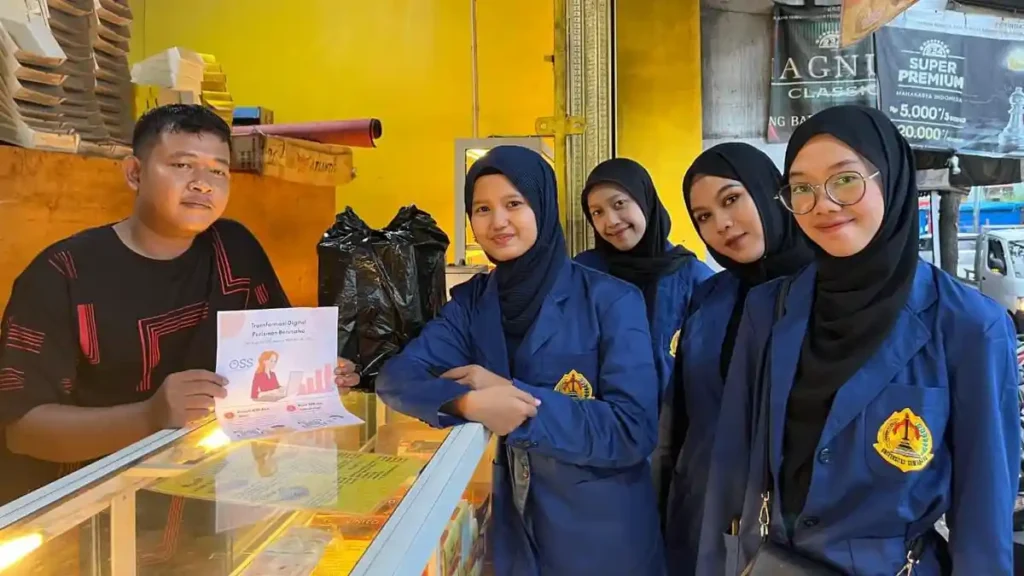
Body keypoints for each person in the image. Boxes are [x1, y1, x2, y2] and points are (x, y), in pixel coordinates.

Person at [697, 106, 1018, 575]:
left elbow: (983, 517)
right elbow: (731, 468)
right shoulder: (770, 310)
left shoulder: (967, 326)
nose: (823, 204)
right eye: (802, 188)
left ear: (891, 180)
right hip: (773, 564)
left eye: (845, 180)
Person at [0, 104, 360, 505]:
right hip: (90, 507)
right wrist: (148, 416)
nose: (203, 184)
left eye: (218, 171)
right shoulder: (64, 274)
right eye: (182, 165)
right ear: (134, 173)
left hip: (213, 490)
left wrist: (315, 375)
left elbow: (274, 358)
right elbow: (22, 429)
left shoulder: (234, 249)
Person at [376, 146, 664, 575]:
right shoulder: (474, 304)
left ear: (542, 207)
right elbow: (397, 378)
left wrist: (516, 403)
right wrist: (467, 403)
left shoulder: (611, 300)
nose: (498, 222)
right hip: (514, 537)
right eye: (482, 209)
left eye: (514, 204)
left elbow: (632, 429)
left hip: (602, 542)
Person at [657, 143, 812, 573]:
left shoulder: (824, 293)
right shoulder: (710, 297)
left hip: (790, 524)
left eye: (731, 200)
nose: (721, 224)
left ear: (768, 192)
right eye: (703, 217)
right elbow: (681, 416)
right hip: (702, 510)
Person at [576, 157, 713, 396]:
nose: (611, 221)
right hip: (600, 414)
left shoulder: (695, 279)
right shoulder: (583, 274)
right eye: (597, 212)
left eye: (619, 204)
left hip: (674, 415)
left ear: (645, 200)